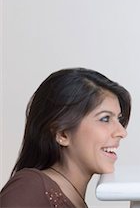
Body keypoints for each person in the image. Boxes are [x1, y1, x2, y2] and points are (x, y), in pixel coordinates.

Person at [0, 67, 131, 208]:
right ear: (62, 134)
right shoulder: (30, 187)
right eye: (105, 119)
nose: (122, 132)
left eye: (119, 119)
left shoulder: (72, 197)